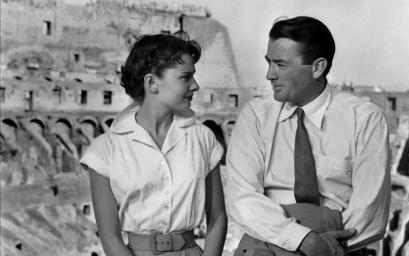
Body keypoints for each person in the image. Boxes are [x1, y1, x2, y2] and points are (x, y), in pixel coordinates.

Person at [226, 16, 390, 256]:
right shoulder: (255, 117)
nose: (269, 75)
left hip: (338, 248)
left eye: (281, 65)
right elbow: (242, 198)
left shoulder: (364, 119)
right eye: (268, 63)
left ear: (317, 67)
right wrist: (303, 240)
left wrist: (322, 246)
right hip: (268, 247)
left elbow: (370, 214)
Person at [80, 34, 227, 256]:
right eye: (186, 77)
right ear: (152, 83)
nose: (195, 86)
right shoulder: (104, 150)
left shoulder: (202, 138)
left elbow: (217, 217)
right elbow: (110, 237)